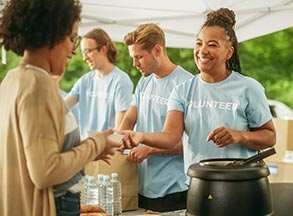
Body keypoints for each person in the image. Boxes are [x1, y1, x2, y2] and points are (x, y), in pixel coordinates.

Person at [119, 8, 276, 184]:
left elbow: (270, 136)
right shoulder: (182, 90)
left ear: (229, 53)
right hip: (198, 185)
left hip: (240, 185)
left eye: (212, 45)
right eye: (199, 43)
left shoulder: (248, 88)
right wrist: (141, 136)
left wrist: (239, 136)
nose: (202, 50)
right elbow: (170, 137)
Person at [0, 1, 121, 215]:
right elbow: (45, 171)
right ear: (51, 35)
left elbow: (36, 154)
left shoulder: (13, 79)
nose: (73, 51)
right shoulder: (38, 84)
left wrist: (88, 151)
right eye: (72, 39)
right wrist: (96, 143)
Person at [120, 23, 193, 212]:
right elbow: (128, 120)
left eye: (139, 57)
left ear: (157, 50)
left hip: (173, 190)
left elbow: (193, 144)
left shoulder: (187, 85)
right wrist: (117, 140)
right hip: (142, 186)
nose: (135, 64)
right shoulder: (144, 81)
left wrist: (150, 149)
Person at [65, 28, 133, 139]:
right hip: (87, 148)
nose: (84, 58)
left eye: (88, 51)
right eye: (83, 52)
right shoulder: (85, 80)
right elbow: (62, 108)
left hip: (108, 150)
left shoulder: (121, 81)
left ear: (103, 49)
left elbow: (120, 129)